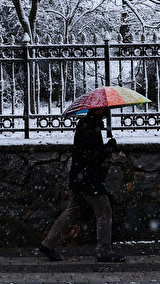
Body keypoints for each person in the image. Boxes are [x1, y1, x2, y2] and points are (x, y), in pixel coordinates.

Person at [39, 106, 126, 263]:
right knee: (104, 212)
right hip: (88, 179)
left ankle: (48, 244)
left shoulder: (88, 125)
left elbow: (88, 153)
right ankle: (103, 251)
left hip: (81, 178)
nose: (106, 112)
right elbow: (91, 155)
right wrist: (107, 149)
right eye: (104, 109)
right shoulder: (89, 127)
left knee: (71, 211)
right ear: (98, 111)